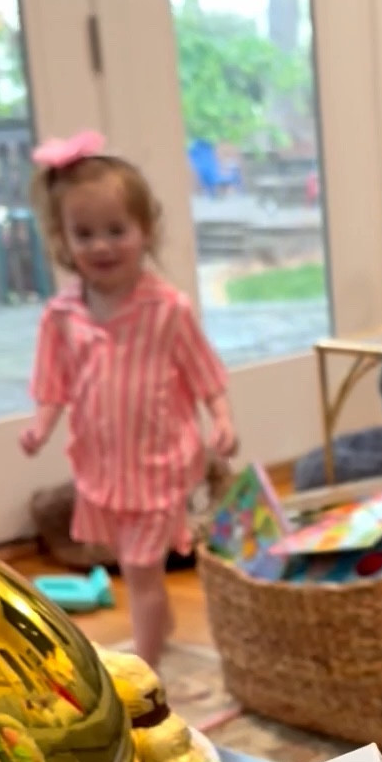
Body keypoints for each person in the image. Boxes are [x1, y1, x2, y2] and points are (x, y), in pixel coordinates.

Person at [20, 132, 237, 666]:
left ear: (145, 231)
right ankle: (160, 629)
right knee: (133, 562)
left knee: (140, 572)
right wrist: (41, 426)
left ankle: (144, 670)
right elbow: (54, 382)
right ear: (63, 240)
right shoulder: (63, 315)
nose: (102, 246)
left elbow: (204, 371)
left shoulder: (167, 309)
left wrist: (222, 418)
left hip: (158, 465)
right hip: (103, 467)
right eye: (84, 234)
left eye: (116, 230)